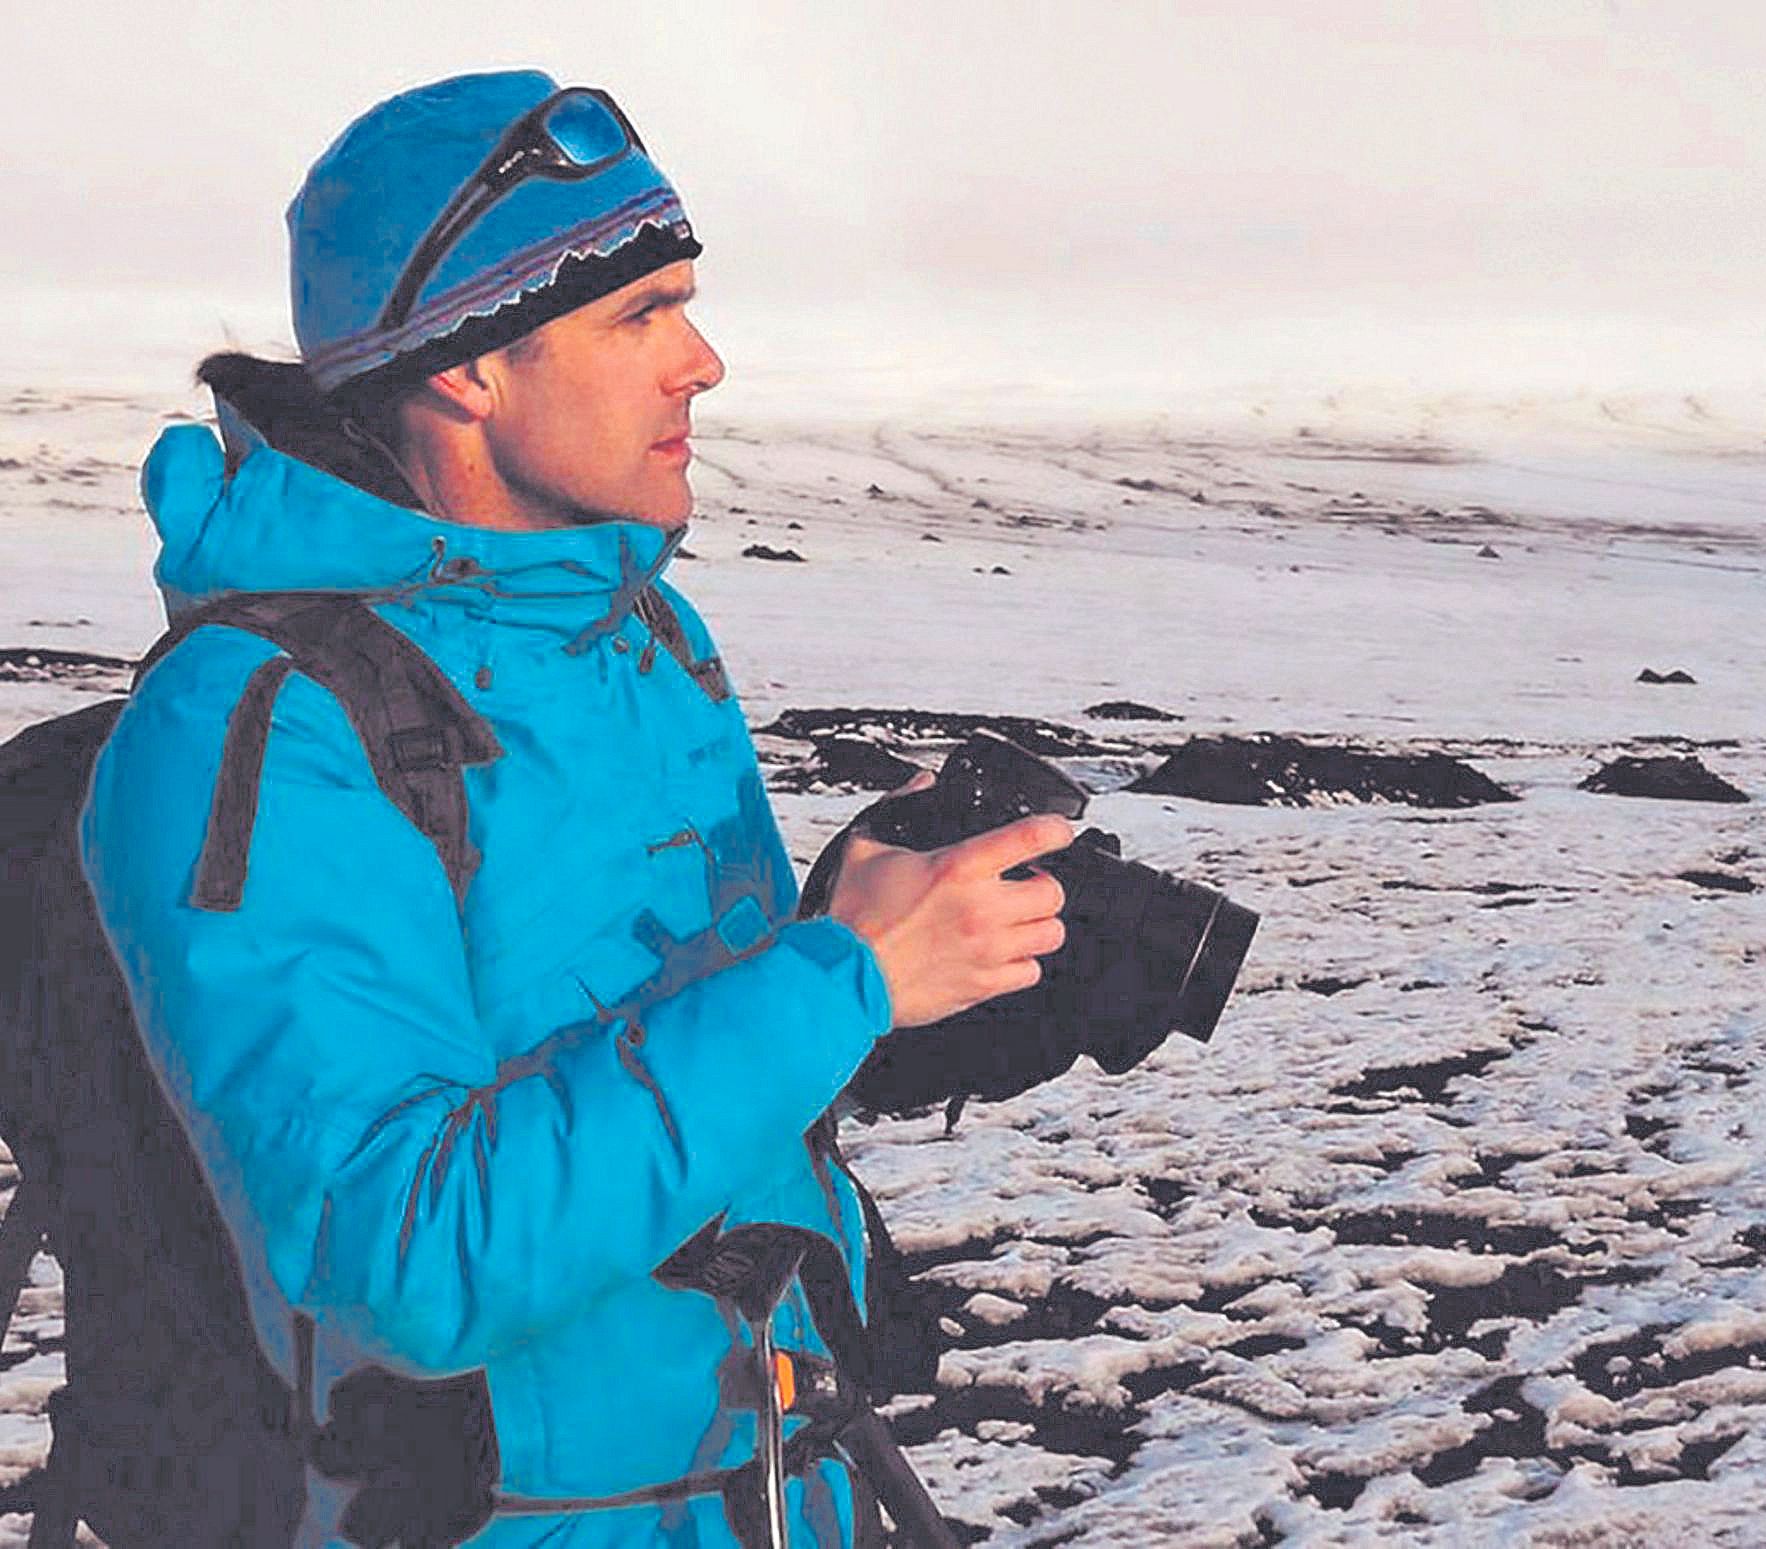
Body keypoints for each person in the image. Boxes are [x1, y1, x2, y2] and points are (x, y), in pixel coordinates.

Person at [78, 69, 1071, 1547]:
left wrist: (895, 971)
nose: (705, 360)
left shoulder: (641, 640)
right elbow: (402, 1257)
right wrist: (837, 978)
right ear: (466, 367)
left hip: (779, 1489)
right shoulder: (262, 723)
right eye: (641, 314)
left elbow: (667, 1072)